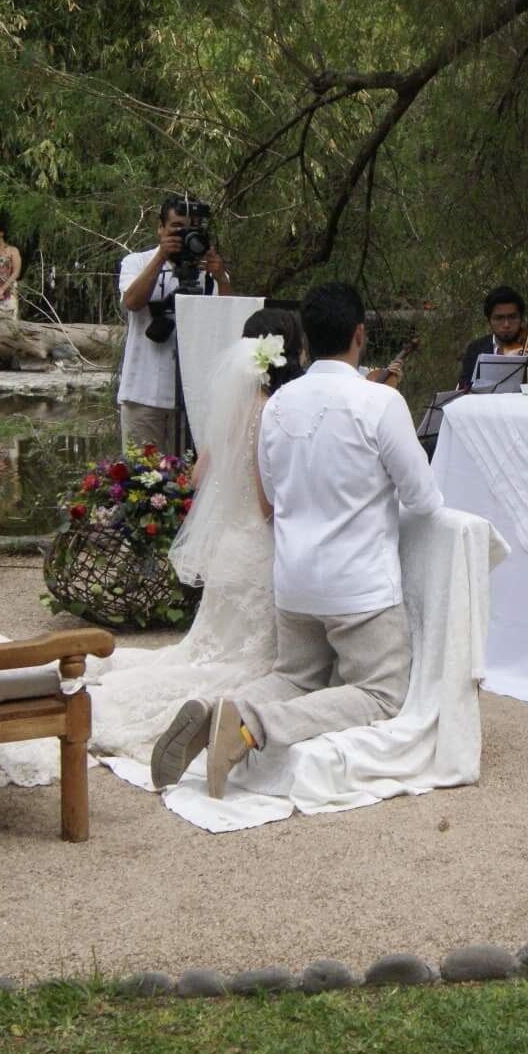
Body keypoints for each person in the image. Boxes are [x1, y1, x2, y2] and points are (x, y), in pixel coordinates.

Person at [0, 307, 305, 791]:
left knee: (204, 651)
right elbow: (268, 505)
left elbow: (199, 477)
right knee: (249, 663)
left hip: (229, 551)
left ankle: (86, 700)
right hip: (257, 552)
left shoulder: (236, 410)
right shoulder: (273, 412)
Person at [156, 282, 442, 799]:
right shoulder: (380, 402)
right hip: (359, 589)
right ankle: (250, 725)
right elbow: (422, 498)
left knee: (295, 678)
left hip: (293, 582)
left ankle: (218, 706)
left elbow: (269, 497)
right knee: (380, 695)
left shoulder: (279, 405)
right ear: (360, 335)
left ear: (305, 342)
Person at [118, 195, 234, 455]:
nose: (185, 235)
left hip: (195, 395)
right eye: (177, 228)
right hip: (144, 392)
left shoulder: (209, 271)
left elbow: (227, 322)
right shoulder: (136, 262)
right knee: (141, 481)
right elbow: (133, 301)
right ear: (160, 228)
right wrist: (161, 256)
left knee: (194, 480)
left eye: (193, 228)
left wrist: (220, 276)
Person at [454, 284, 528, 389]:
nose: (506, 324)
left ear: (521, 318)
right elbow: (464, 386)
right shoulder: (476, 348)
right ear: (489, 321)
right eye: (499, 318)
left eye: (512, 317)